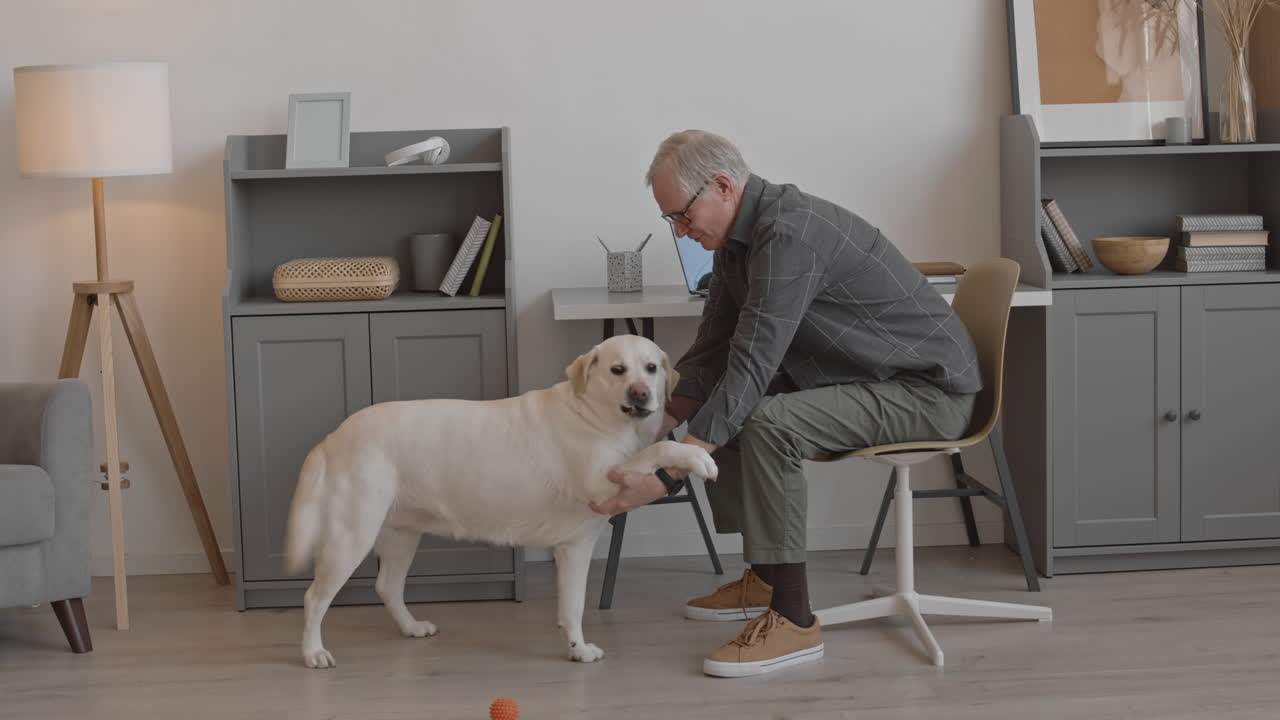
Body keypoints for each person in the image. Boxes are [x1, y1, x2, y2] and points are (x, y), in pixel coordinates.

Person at [588, 129, 982, 678]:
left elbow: (753, 361)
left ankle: (794, 620)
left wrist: (672, 473)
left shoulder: (790, 235)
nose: (680, 230)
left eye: (681, 215)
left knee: (766, 417)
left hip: (928, 394)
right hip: (880, 380)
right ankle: (769, 576)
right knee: (739, 400)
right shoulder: (737, 244)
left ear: (723, 186)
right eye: (670, 221)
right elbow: (715, 347)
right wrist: (660, 428)